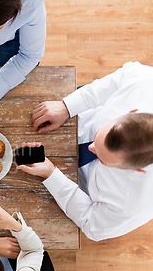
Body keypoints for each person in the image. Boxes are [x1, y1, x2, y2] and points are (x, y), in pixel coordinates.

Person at [18, 61, 153, 241]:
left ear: (138, 170)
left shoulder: (133, 205)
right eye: (99, 138)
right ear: (131, 112)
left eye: (103, 158)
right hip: (78, 120)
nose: (91, 148)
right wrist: (67, 106)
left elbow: (91, 222)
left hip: (81, 189)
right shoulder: (144, 81)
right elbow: (112, 84)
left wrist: (51, 175)